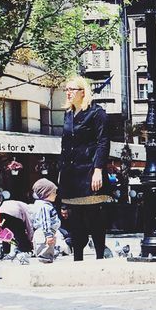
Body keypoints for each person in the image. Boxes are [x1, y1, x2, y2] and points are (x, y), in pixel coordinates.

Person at [58, 75, 111, 260]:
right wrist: (61, 173)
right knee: (75, 219)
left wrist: (98, 169)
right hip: (71, 173)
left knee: (94, 216)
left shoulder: (97, 113)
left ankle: (99, 256)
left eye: (71, 89)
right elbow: (65, 145)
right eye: (66, 89)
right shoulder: (68, 114)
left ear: (83, 91)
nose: (68, 92)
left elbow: (103, 143)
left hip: (89, 171)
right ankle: (78, 258)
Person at [29, 178, 62, 262]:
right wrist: (49, 235)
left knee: (47, 256)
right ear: (46, 193)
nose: (56, 195)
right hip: (44, 234)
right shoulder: (44, 206)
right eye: (54, 192)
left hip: (46, 233)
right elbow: (45, 222)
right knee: (45, 257)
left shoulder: (42, 205)